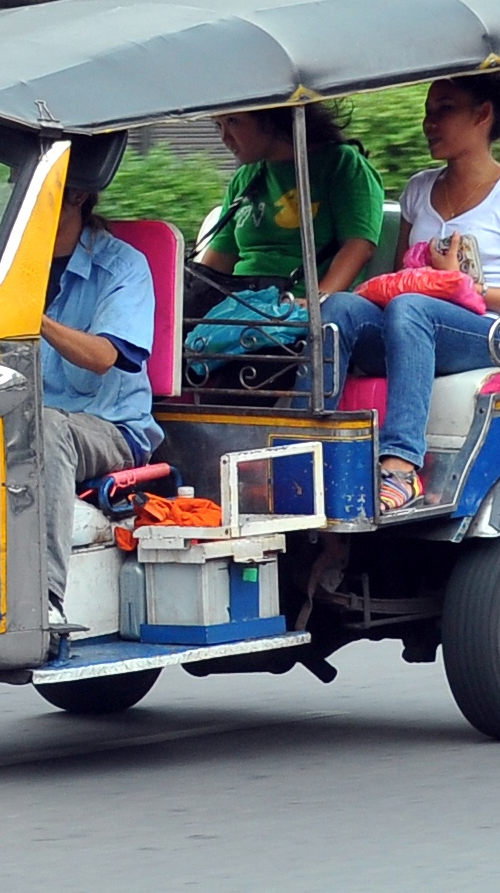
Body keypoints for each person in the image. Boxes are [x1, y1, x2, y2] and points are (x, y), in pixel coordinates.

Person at [309, 74, 500, 512]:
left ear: (483, 115)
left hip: (490, 335)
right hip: (416, 325)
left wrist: (465, 286)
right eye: (428, 110)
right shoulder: (420, 189)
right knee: (340, 307)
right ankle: (303, 446)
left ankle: (401, 466)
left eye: (445, 109)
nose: (429, 122)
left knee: (411, 307)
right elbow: (400, 275)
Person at [40, 187, 162, 620]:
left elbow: (102, 357)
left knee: (45, 427)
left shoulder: (123, 266)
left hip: (110, 428)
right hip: (24, 417)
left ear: (74, 197)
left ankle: (45, 600)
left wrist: (33, 318)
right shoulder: (9, 263)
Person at [190, 105, 385, 318]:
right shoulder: (245, 178)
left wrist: (316, 300)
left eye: (233, 121)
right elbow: (216, 264)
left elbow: (358, 246)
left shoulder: (341, 164)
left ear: (270, 117)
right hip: (239, 308)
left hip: (297, 308)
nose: (225, 137)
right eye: (218, 125)